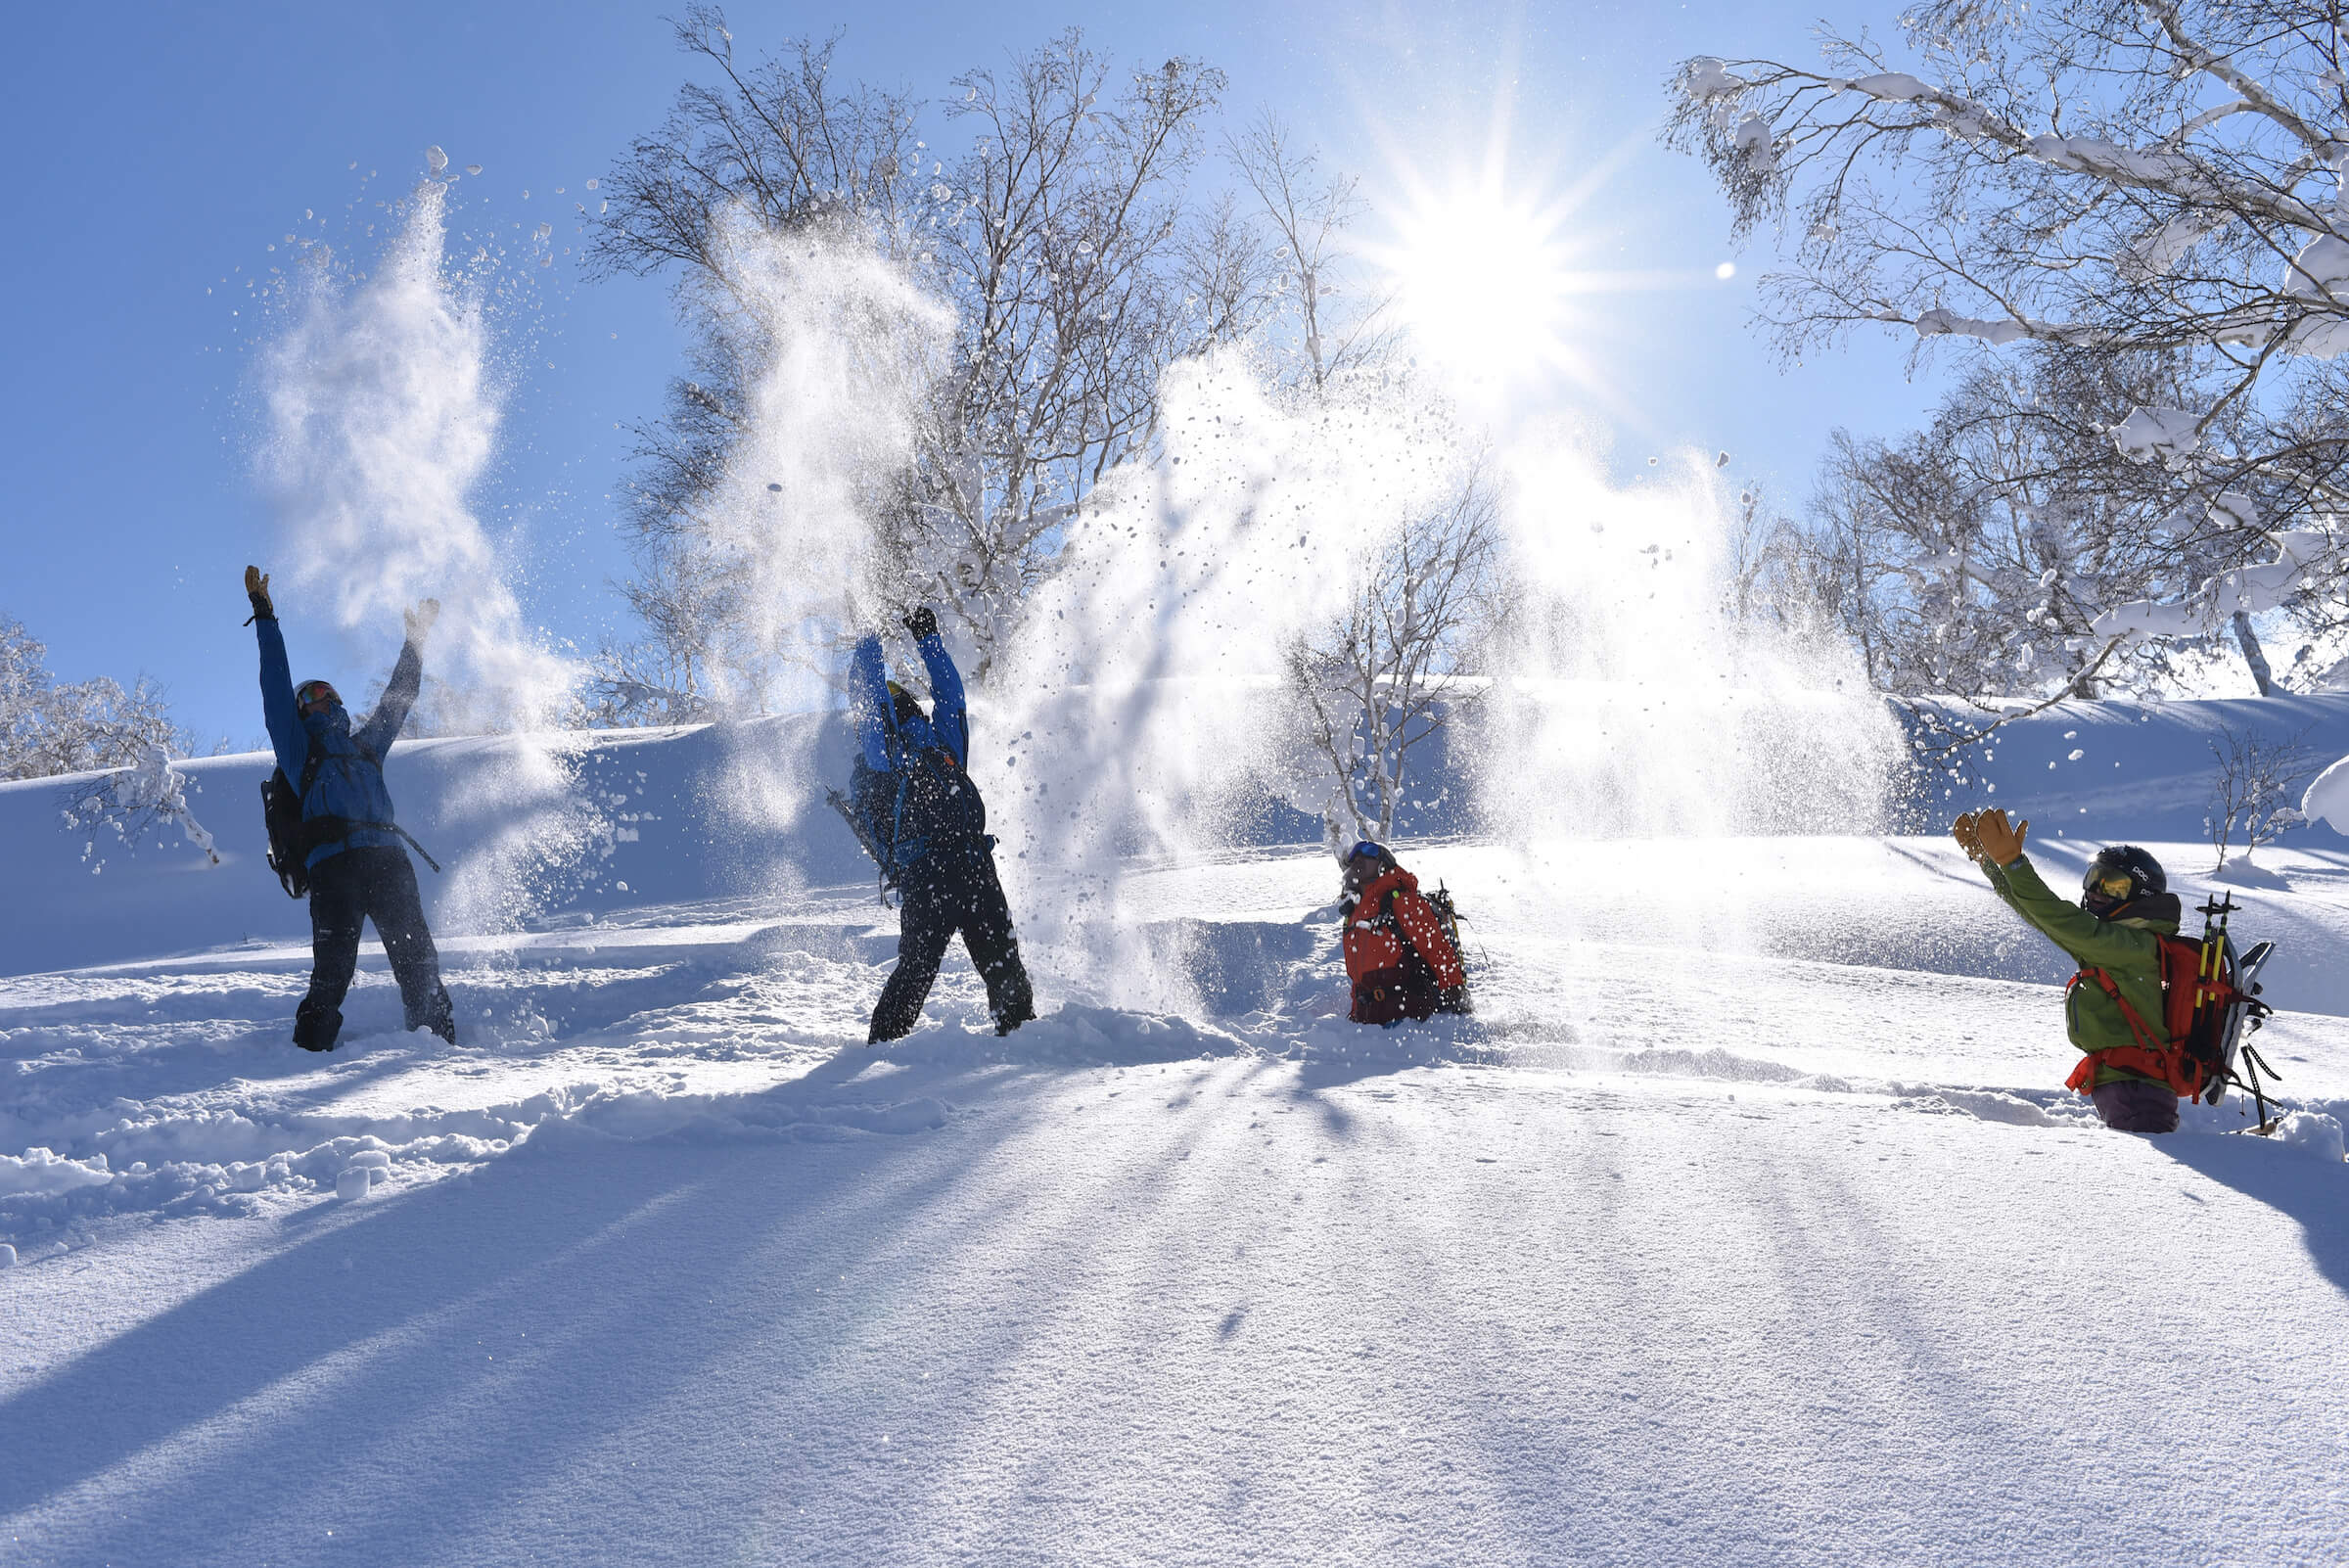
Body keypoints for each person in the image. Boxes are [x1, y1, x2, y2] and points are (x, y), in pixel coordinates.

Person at [245, 565, 456, 1051]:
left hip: (387, 860)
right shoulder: (299, 753)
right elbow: (275, 690)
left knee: (419, 961)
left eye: (330, 694)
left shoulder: (365, 748)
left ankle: (440, 1052)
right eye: (314, 696)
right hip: (333, 867)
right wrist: (265, 617)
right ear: (303, 710)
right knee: (333, 970)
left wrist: (416, 640)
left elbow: (398, 700)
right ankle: (307, 1055)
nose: (325, 699)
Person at [849, 605, 1036, 1043]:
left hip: (972, 865)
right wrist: (868, 640)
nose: (906, 710)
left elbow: (952, 697)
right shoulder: (884, 759)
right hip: (930, 872)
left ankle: (1025, 1041)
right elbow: (874, 696)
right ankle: (881, 1047)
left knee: (1001, 962)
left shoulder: (942, 744)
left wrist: (927, 637)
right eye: (901, 706)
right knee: (917, 969)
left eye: (904, 705)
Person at [1953, 807, 2182, 1132]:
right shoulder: (2115, 943)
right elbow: (2041, 916)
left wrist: (2013, 864)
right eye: (2093, 879)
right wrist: (1990, 862)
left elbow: (2055, 915)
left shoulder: (2130, 945)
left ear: (2140, 895)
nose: (2096, 891)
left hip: (2137, 1096)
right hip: (2128, 1090)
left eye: (2113, 886)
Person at [1339, 840, 1469, 1026]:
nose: (1358, 858)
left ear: (1384, 864)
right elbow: (1357, 979)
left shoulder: (1402, 901)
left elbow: (1437, 950)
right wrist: (1355, 1015)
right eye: (1354, 856)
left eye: (1368, 853)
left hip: (1410, 1025)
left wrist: (1456, 994)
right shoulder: (1352, 915)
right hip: (1367, 1026)